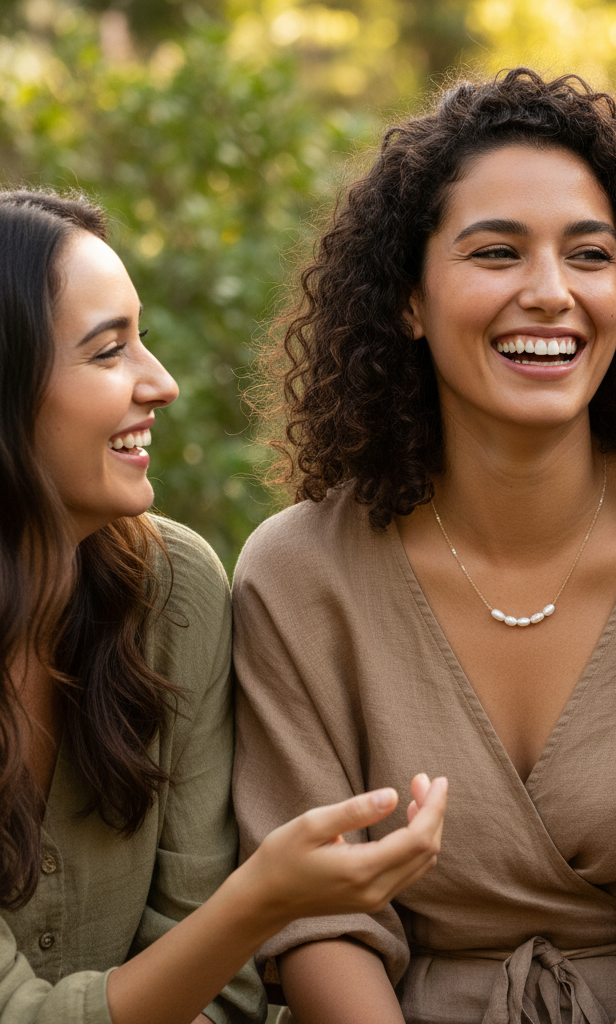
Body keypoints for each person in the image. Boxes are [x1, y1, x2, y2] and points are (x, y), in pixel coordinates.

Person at [232, 68, 616, 1024]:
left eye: (590, 255)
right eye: (496, 253)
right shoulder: (300, 573)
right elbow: (318, 922)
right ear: (409, 300)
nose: (551, 294)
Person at [0, 187, 447, 1024]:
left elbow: (224, 999)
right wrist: (261, 900)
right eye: (107, 353)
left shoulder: (173, 591)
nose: (160, 384)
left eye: (144, 340)